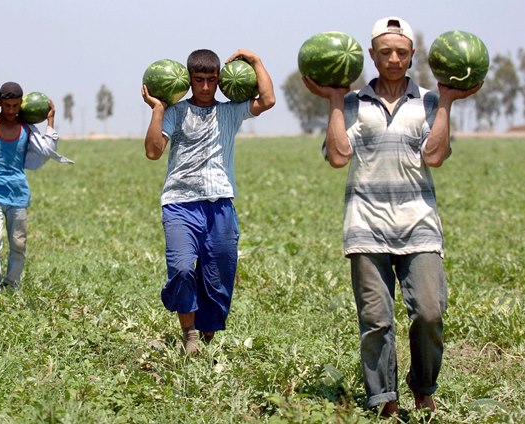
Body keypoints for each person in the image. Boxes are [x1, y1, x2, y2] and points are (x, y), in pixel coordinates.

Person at [302, 17, 482, 416]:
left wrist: (447, 101)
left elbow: (435, 156)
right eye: (386, 52)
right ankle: (384, 401)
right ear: (372, 55)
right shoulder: (352, 103)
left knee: (430, 313)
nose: (394, 59)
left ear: (413, 54)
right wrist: (335, 100)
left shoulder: (429, 102)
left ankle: (423, 386)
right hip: (365, 226)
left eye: (401, 52)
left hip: (419, 226)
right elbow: (337, 157)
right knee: (376, 321)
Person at [141, 49, 275, 354]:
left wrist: (255, 61)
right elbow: (152, 151)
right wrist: (158, 109)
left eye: (211, 80)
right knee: (182, 269)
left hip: (220, 203)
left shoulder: (231, 112)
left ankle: (206, 336)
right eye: (199, 80)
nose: (204, 87)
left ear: (219, 81)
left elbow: (267, 100)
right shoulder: (175, 112)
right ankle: (189, 334)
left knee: (219, 275)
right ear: (189, 80)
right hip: (179, 203)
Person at [0, 82, 73, 295]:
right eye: (7, 105)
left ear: (21, 104)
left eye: (15, 105)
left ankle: (12, 284)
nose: (11, 110)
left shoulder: (26, 128)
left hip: (18, 193)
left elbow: (47, 150)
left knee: (18, 243)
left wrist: (50, 120)